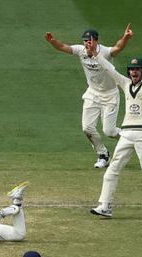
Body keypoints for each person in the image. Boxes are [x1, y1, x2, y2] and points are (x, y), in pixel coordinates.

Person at [90, 38, 142, 221]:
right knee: (113, 169)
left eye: (137, 69)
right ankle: (105, 206)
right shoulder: (126, 84)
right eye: (132, 69)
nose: (134, 72)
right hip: (126, 134)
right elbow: (110, 70)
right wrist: (95, 54)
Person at [44, 25, 133, 168]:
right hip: (92, 94)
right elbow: (62, 47)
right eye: (85, 41)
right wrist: (52, 41)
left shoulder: (104, 52)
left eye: (89, 40)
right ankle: (103, 155)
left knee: (109, 131)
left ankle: (132, 138)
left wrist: (126, 37)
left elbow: (117, 48)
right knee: (87, 128)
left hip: (110, 95)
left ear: (96, 41)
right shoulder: (81, 51)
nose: (87, 43)